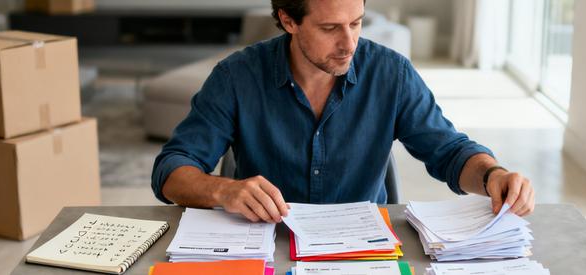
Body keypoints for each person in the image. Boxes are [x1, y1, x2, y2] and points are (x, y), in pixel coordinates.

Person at [151, 0, 535, 224]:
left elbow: (450, 152)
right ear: (288, 20)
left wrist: (494, 175)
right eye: (330, 28)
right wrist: (223, 189)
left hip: (364, 250)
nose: (349, 43)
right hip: (269, 244)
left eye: (356, 23)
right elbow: (172, 169)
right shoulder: (236, 77)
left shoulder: (391, 74)